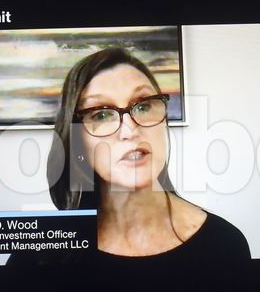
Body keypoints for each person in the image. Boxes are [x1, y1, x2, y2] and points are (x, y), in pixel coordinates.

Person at [47, 47, 249, 260]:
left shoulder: (224, 243)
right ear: (77, 142)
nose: (130, 131)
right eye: (101, 115)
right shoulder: (50, 251)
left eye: (143, 106)